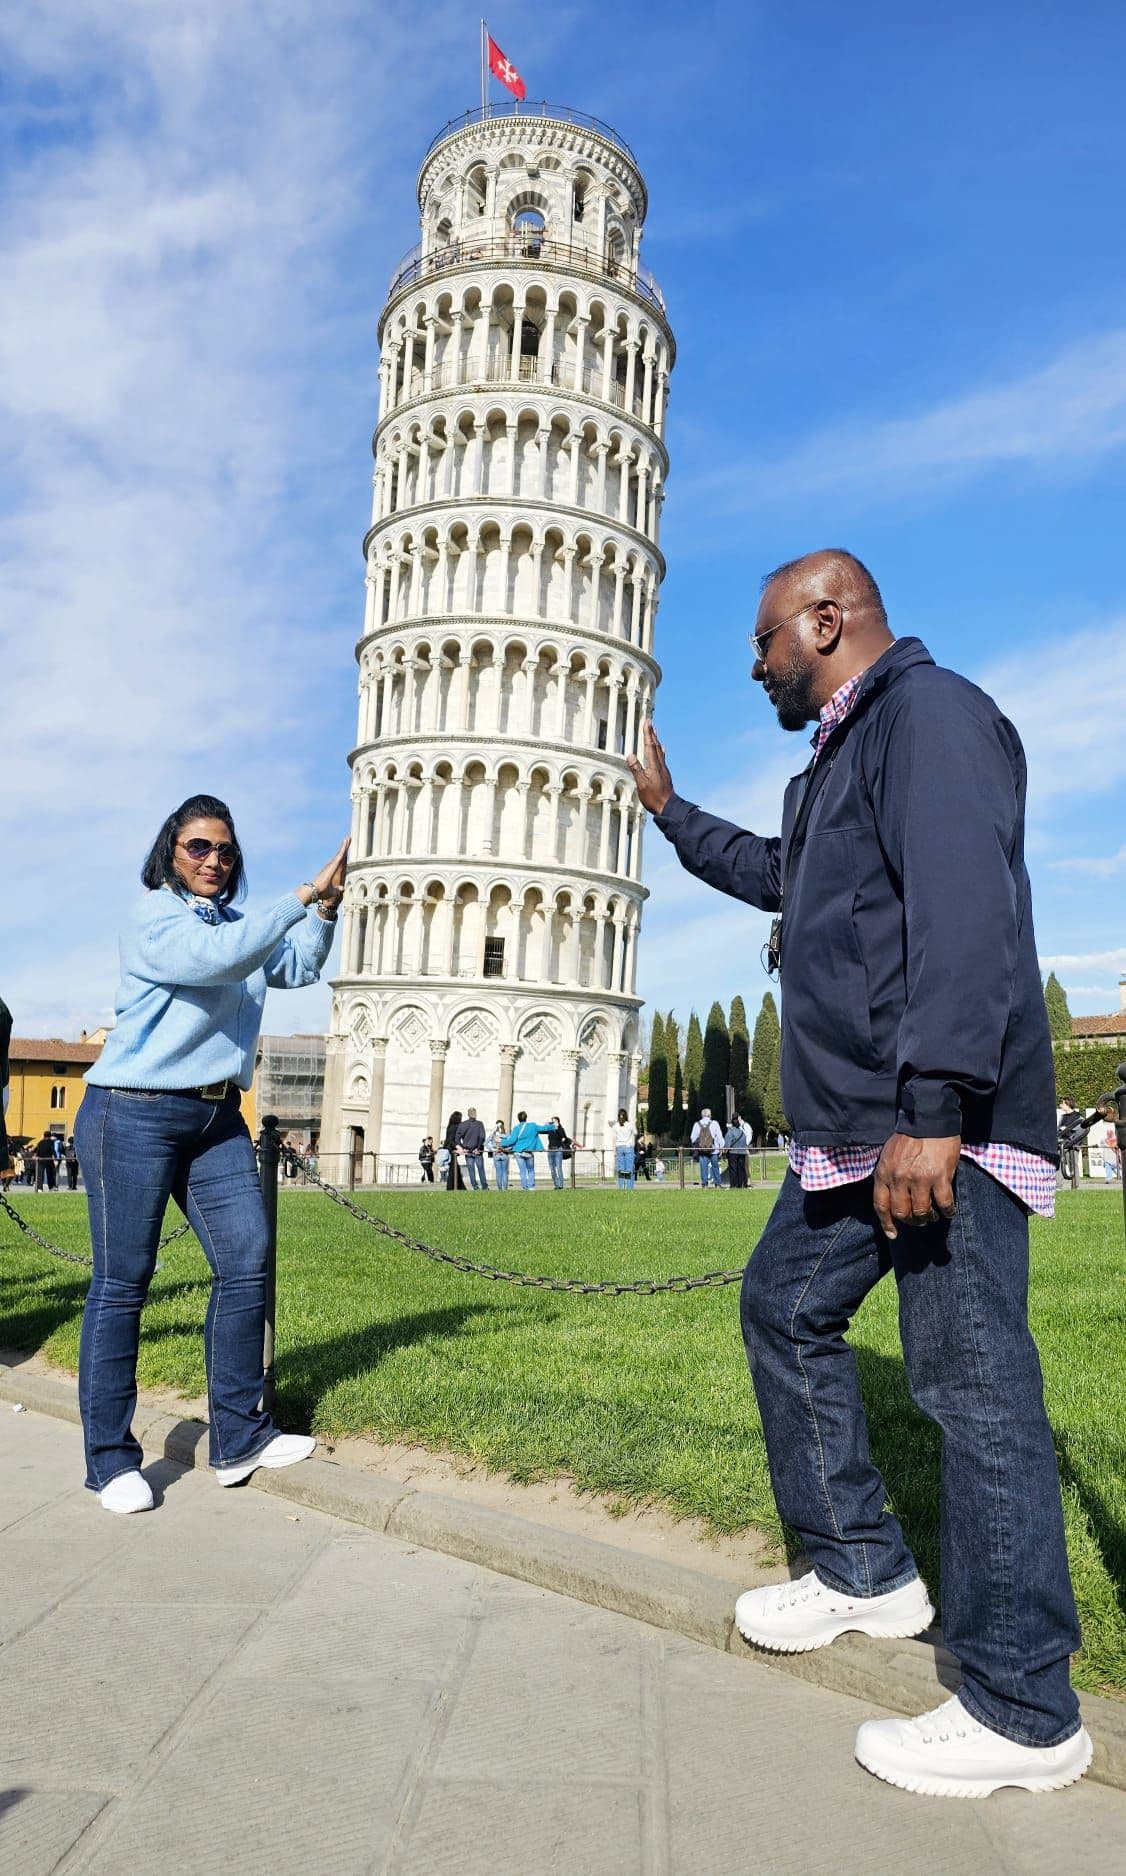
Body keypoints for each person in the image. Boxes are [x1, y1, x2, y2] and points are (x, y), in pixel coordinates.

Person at [627, 549, 1092, 1799]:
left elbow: (965, 908)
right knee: (783, 1308)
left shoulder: (929, 718)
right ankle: (861, 1571)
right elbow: (787, 879)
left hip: (925, 1128)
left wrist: (934, 1104)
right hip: (853, 1135)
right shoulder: (834, 758)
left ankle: (1022, 1706)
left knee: (970, 1384)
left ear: (827, 621)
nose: (753, 661)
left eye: (765, 639)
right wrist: (670, 816)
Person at [75, 792, 346, 1516]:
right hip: (130, 1112)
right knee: (123, 1283)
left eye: (225, 850)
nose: (214, 862)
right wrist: (302, 893)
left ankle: (238, 1438)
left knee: (247, 1258)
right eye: (199, 847)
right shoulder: (154, 918)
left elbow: (290, 969)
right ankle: (109, 1461)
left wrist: (325, 912)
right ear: (172, 851)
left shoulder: (237, 925)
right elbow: (220, 957)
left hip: (214, 1114)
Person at [501, 1111, 551, 1190]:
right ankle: (531, 1186)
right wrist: (553, 1125)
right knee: (531, 1170)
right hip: (529, 1152)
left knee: (522, 1171)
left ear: (518, 1119)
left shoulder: (516, 1128)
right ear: (526, 1117)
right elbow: (544, 1128)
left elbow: (512, 1141)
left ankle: (524, 1187)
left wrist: (501, 1141)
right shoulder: (533, 1126)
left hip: (518, 1152)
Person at [456, 1108, 488, 1190]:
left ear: (468, 1114)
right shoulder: (479, 1124)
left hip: (468, 1150)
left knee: (471, 1170)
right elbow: (482, 1137)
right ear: (475, 1114)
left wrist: (463, 1147)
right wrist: (477, 1147)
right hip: (478, 1151)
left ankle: (475, 1186)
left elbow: (457, 1139)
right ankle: (484, 1186)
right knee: (480, 1169)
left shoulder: (462, 1124)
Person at [690, 1109, 723, 1188]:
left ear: (702, 1115)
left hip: (702, 1150)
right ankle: (717, 1184)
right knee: (715, 1166)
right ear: (710, 1115)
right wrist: (722, 1147)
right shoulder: (714, 1123)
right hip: (713, 1149)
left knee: (703, 1167)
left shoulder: (697, 1124)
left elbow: (693, 1138)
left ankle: (704, 1184)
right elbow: (719, 1137)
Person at [608, 1109, 636, 1188]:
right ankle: (629, 1187)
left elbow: (614, 1139)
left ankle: (622, 1186)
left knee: (621, 1169)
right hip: (628, 1148)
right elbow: (634, 1135)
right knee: (629, 1169)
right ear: (626, 1116)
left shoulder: (615, 1126)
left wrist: (614, 1151)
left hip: (619, 1148)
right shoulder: (630, 1125)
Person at [544, 1114, 571, 1189]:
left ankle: (561, 1185)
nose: (553, 1123)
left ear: (558, 1122)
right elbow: (542, 1130)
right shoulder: (549, 1130)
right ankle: (556, 1184)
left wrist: (557, 1128)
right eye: (552, 1122)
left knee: (558, 1167)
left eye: (555, 1121)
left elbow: (564, 1138)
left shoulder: (561, 1129)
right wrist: (545, 1125)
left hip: (558, 1149)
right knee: (552, 1169)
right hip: (550, 1150)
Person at [723, 1115, 749, 1189]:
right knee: (741, 1168)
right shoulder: (742, 1133)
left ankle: (733, 1184)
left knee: (733, 1169)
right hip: (742, 1152)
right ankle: (741, 1184)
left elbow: (727, 1144)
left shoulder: (730, 1132)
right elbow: (745, 1142)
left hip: (733, 1152)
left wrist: (724, 1153)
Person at [442, 1111, 466, 1190]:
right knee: (454, 1170)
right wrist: (458, 1147)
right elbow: (451, 1140)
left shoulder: (450, 1126)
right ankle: (451, 1188)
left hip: (450, 1149)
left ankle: (460, 1188)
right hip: (451, 1150)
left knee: (456, 1170)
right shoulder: (454, 1127)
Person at [487, 1120, 510, 1190]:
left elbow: (485, 1143)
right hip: (504, 1154)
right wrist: (505, 1149)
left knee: (498, 1172)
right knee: (504, 1172)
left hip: (496, 1154)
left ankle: (500, 1189)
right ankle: (505, 1189)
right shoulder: (506, 1134)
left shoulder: (493, 1134)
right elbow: (511, 1144)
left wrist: (492, 1149)